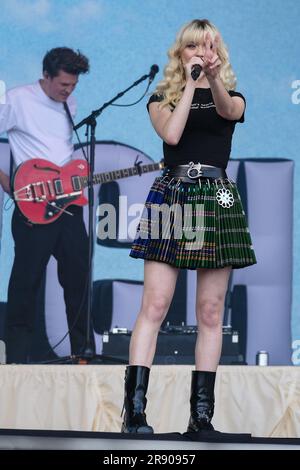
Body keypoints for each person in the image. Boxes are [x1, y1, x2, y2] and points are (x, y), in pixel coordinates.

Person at [122, 19, 257, 433]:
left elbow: (228, 111)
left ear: (220, 54)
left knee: (210, 311)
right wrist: (189, 86)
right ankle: (135, 413)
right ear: (179, 53)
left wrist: (213, 80)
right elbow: (173, 134)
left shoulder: (232, 95)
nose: (201, 53)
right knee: (156, 305)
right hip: (173, 192)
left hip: (215, 196)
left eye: (208, 47)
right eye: (192, 47)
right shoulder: (161, 97)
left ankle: (201, 418)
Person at [0, 47, 95, 363]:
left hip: (67, 204)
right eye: (63, 84)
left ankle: (82, 353)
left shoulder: (70, 104)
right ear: (46, 75)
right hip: (32, 207)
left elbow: (60, 153)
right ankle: (16, 359)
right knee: (26, 281)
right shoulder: (17, 99)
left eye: (73, 85)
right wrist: (9, 183)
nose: (68, 91)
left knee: (78, 276)